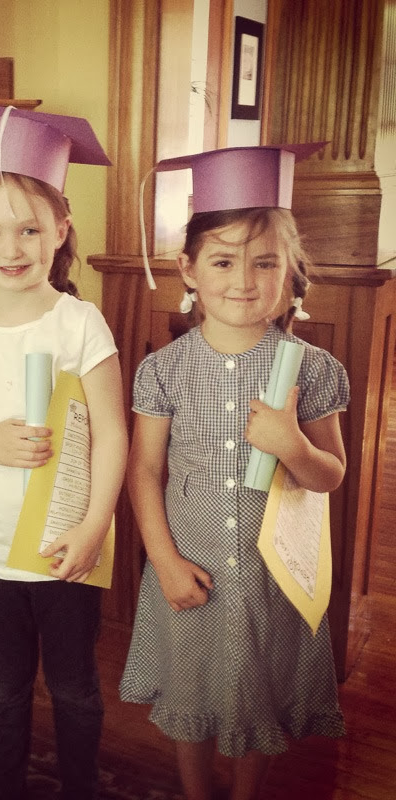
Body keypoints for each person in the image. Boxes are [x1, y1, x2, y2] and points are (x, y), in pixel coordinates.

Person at [120, 144, 348, 800]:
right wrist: (164, 561)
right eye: (223, 261)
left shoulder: (313, 369)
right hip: (191, 567)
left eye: (265, 262)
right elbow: (144, 470)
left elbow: (330, 475)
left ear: (290, 271)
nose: (244, 280)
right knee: (191, 690)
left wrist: (292, 446)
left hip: (274, 577)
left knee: (259, 696)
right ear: (188, 268)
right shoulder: (163, 369)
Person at [0, 100, 128, 800]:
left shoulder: (79, 324)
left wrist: (94, 526)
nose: (11, 248)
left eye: (30, 229)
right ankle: (4, 785)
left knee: (73, 684)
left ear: (60, 230)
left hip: (66, 542)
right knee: (5, 685)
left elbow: (112, 433)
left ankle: (80, 788)